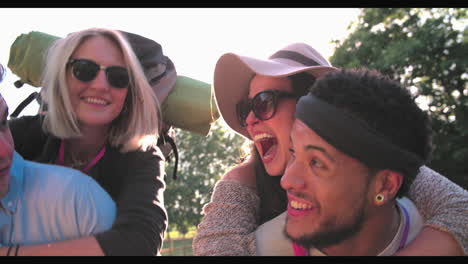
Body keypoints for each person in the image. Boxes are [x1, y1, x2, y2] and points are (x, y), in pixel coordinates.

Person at [193, 43, 467, 255]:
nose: (250, 119)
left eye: (264, 102)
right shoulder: (242, 183)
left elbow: (460, 209)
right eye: (245, 109)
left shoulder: (377, 162)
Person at [2, 28, 168, 256]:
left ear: (129, 91)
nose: (101, 85)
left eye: (119, 76)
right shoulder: (19, 135)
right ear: (61, 77)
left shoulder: (142, 158)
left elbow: (139, 242)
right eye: (84, 70)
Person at [258, 69, 432, 255]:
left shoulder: (440, 230)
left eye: (316, 162)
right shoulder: (262, 248)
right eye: (293, 152)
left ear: (385, 185)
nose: (286, 180)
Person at [0, 64, 115, 251]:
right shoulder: (29, 131)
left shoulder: (82, 202)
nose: (6, 151)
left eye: (3, 123)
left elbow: (140, 236)